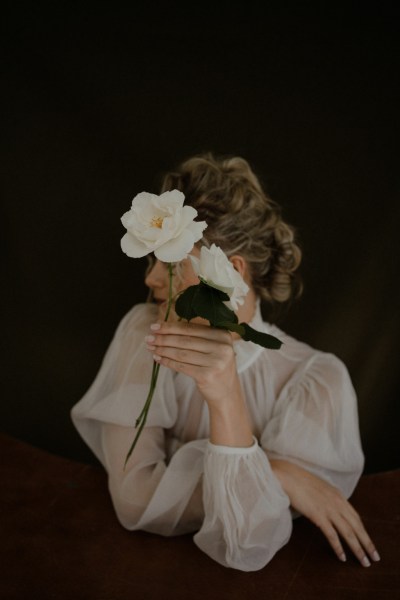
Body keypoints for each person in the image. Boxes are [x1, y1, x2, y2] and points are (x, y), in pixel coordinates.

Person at [71, 153, 380, 571]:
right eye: (151, 260)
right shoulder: (146, 332)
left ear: (230, 271)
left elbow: (246, 543)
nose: (150, 279)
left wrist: (226, 395)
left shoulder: (318, 383)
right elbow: (134, 499)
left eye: (170, 263)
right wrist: (281, 475)